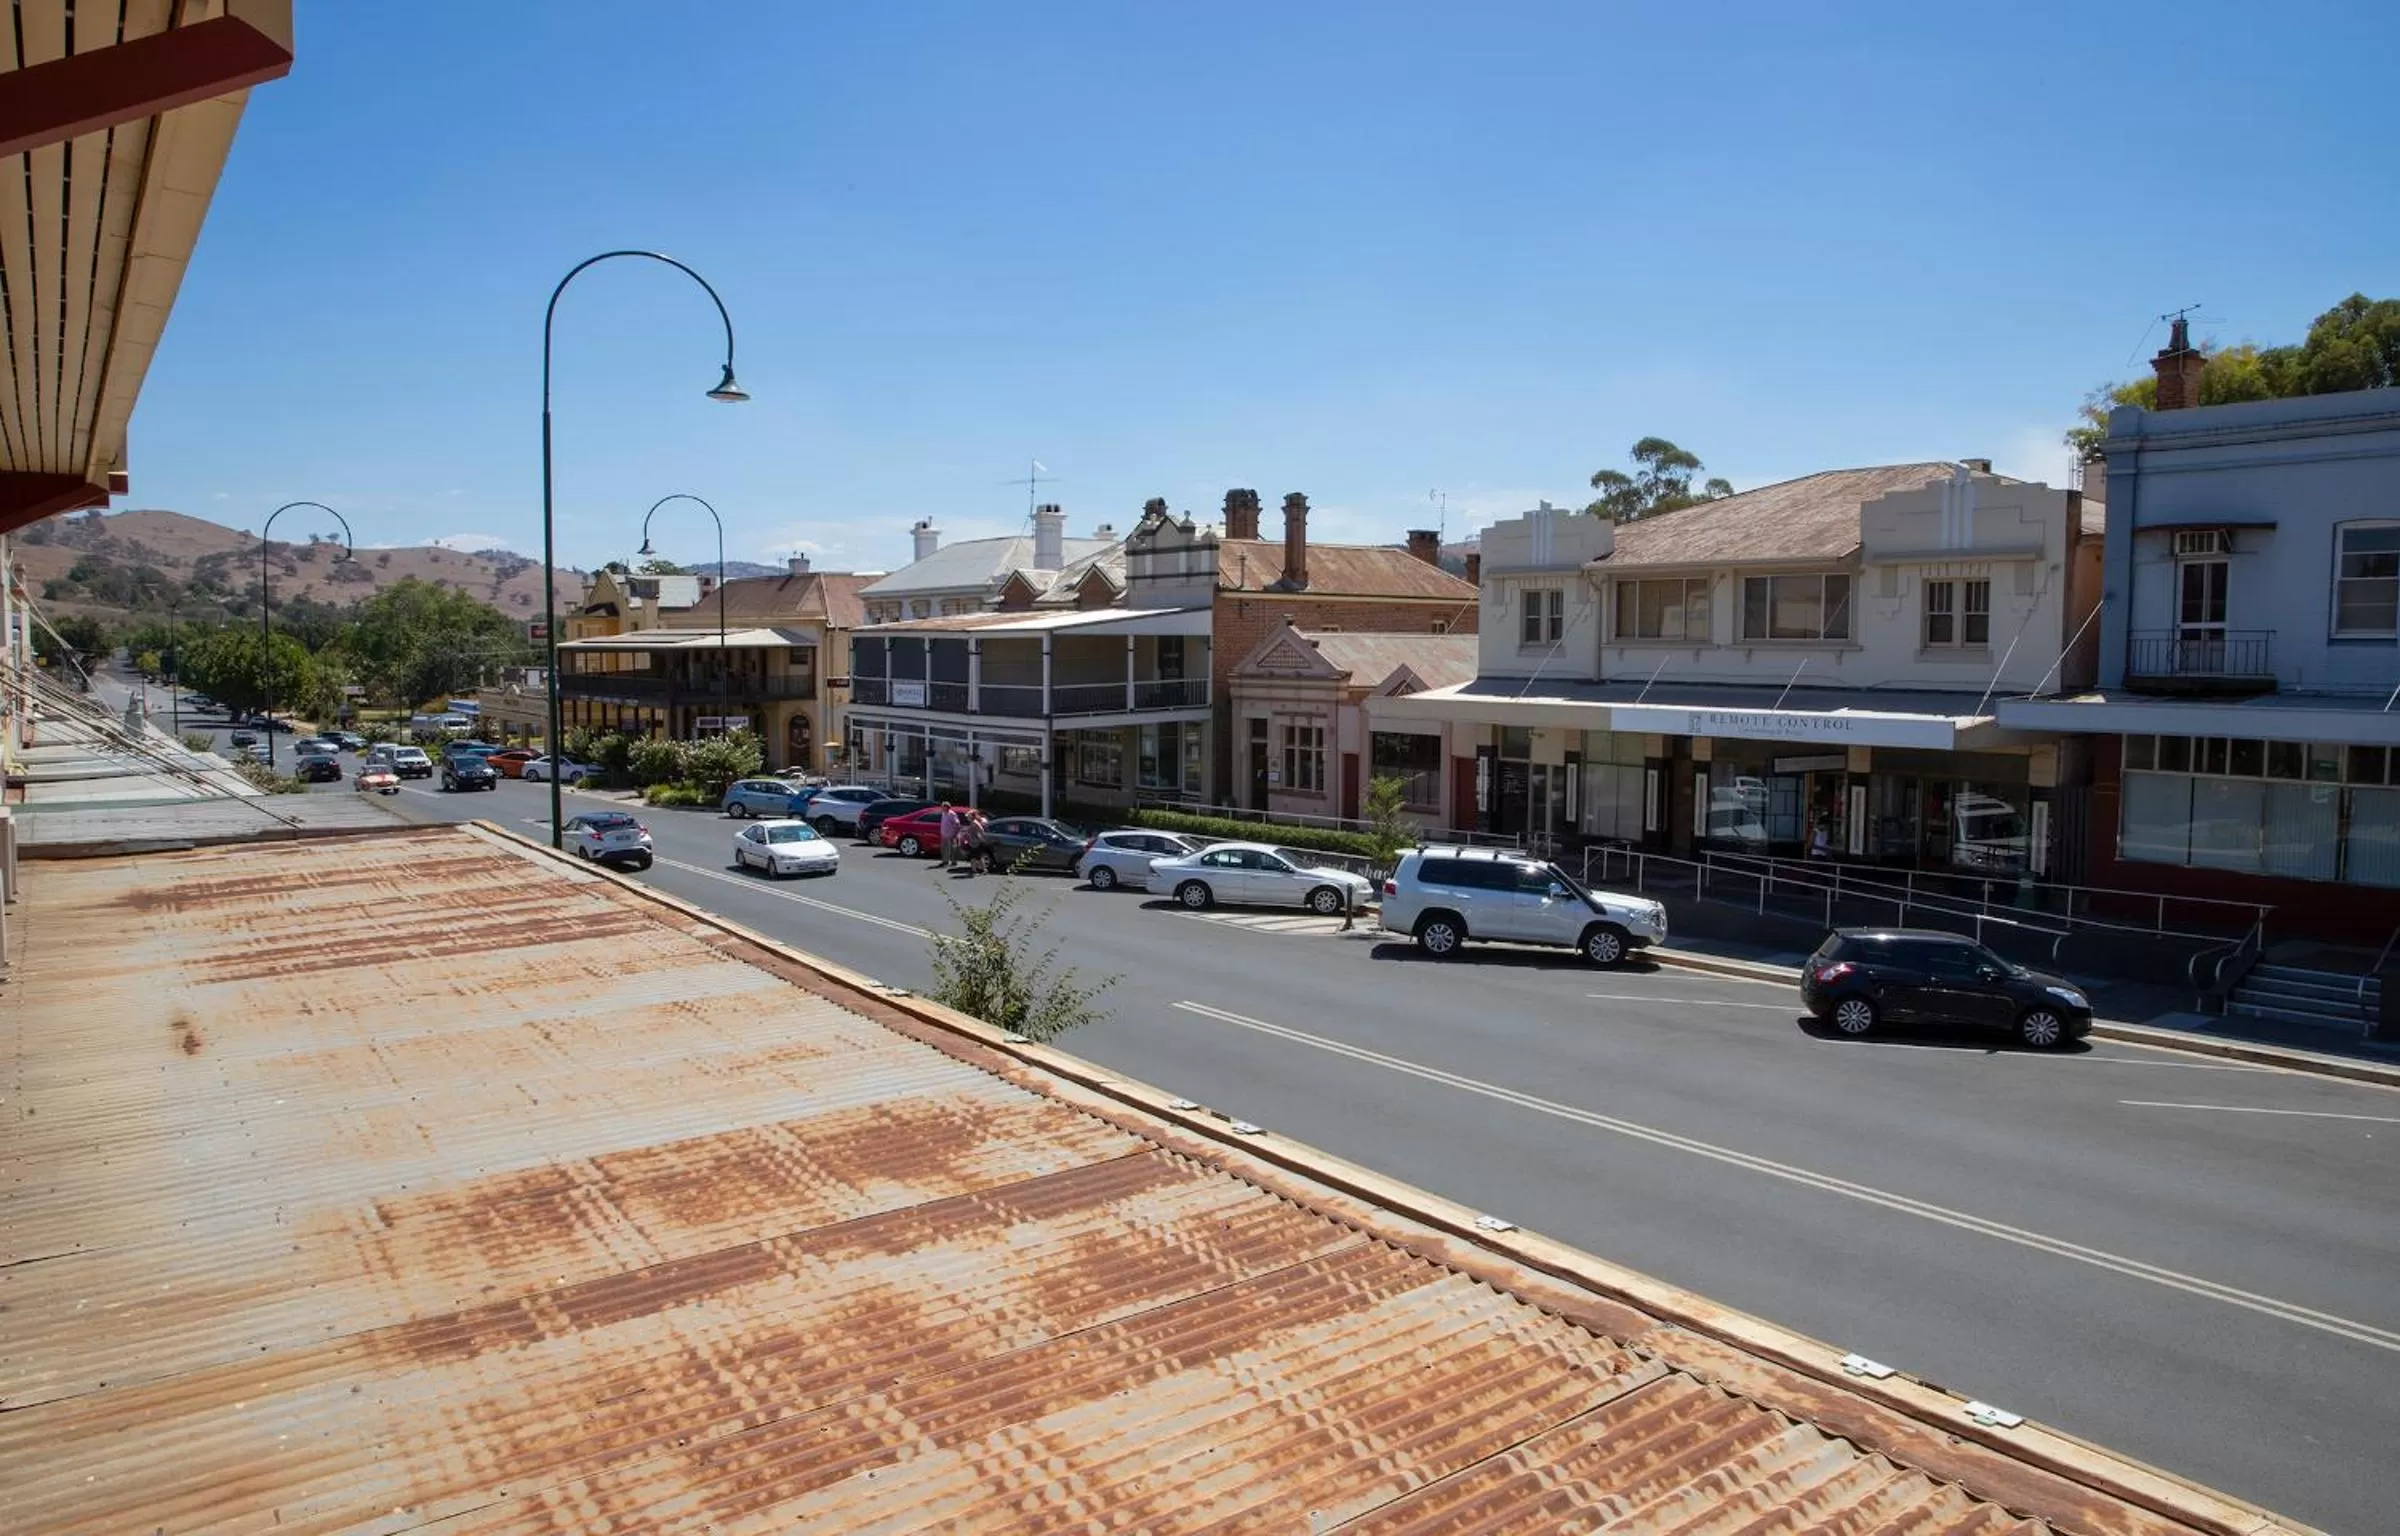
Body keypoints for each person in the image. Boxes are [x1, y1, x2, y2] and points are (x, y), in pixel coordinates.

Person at [937, 802, 960, 871]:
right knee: (944, 848)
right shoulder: (943, 813)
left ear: (947, 807)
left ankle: (953, 861)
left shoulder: (952, 814)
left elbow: (957, 823)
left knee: (952, 849)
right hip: (944, 834)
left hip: (950, 834)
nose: (942, 808)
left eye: (943, 807)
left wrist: (955, 833)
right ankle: (945, 861)